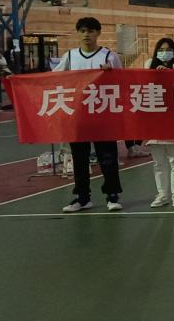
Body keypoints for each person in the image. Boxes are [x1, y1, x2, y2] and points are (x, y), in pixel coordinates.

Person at [52, 17, 123, 212]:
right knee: (79, 158)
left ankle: (112, 195)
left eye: (91, 31)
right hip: (78, 116)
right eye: (82, 31)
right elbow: (52, 78)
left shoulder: (109, 56)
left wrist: (111, 73)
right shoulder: (70, 56)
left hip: (103, 114)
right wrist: (19, 80)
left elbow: (124, 81)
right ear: (77, 33)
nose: (86, 35)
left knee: (107, 157)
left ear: (98, 33)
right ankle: (82, 197)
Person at [143, 37, 174, 207]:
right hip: (155, 121)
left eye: (168, 50)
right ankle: (162, 195)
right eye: (161, 50)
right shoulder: (149, 67)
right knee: (158, 163)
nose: (164, 53)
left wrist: (171, 71)